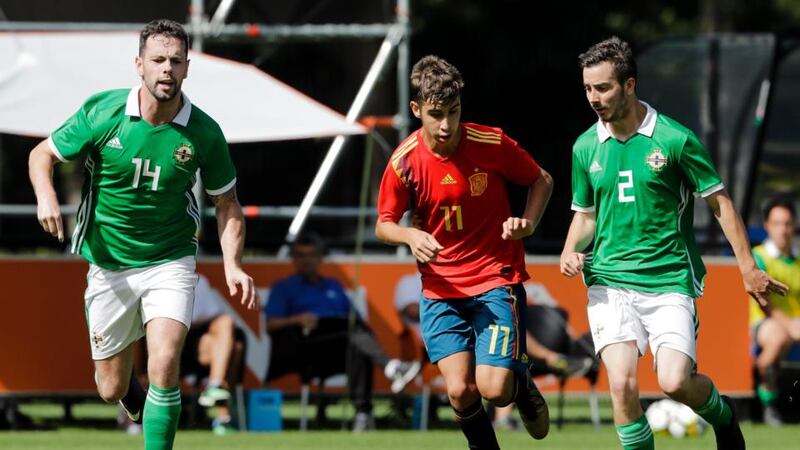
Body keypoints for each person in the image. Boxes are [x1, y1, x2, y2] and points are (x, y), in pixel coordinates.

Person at [28, 19, 256, 450]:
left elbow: (227, 203)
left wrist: (233, 264)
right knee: (110, 387)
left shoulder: (204, 133)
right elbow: (42, 154)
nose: (167, 69)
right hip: (108, 262)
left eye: (176, 61)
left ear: (187, 67)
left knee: (165, 362)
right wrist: (46, 196)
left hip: (170, 258)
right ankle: (130, 393)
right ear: (139, 65)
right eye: (158, 60)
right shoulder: (105, 112)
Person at [560, 36, 788, 450]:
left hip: (668, 279)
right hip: (609, 280)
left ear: (630, 85)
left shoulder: (674, 139)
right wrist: (569, 249)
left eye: (603, 88)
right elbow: (586, 215)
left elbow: (720, 203)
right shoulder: (585, 146)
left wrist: (748, 268)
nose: (593, 98)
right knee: (622, 384)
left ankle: (723, 415)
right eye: (588, 88)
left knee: (674, 381)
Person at [376, 55, 554, 449]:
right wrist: (409, 235)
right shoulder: (404, 162)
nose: (446, 125)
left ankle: (520, 381)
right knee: (459, 390)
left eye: (453, 112)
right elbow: (383, 223)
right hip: (441, 289)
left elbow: (541, 180)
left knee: (494, 390)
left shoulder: (490, 143)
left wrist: (528, 222)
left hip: (494, 279)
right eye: (436, 114)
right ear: (416, 109)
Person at [265, 233, 421, 431]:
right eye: (301, 255)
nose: (306, 260)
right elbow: (270, 324)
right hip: (306, 347)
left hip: (339, 344)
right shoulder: (284, 287)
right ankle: (390, 368)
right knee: (356, 338)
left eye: (311, 255)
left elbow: (355, 319)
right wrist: (298, 319)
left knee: (357, 342)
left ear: (320, 258)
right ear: (294, 259)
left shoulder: (333, 285)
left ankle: (363, 413)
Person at [749, 197, 800, 426]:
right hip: (764, 323)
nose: (783, 229)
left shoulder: (798, 259)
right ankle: (767, 400)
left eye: (787, 223)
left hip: (796, 323)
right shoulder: (758, 257)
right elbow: (763, 302)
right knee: (779, 336)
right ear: (767, 225)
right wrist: (789, 325)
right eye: (777, 223)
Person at [181, 274, 246, 434]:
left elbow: (213, 314)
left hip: (204, 343)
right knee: (231, 347)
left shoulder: (200, 280)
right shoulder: (163, 276)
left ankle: (215, 385)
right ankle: (223, 418)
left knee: (228, 329)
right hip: (180, 345)